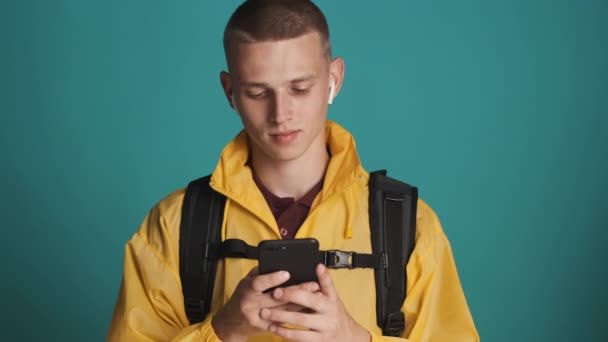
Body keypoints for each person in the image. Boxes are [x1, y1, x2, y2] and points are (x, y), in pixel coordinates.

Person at [107, 0, 479, 341]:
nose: (280, 113)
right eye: (257, 92)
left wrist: (356, 339)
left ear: (334, 79)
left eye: (299, 88)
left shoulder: (409, 226)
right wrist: (221, 331)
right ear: (229, 91)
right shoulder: (172, 226)